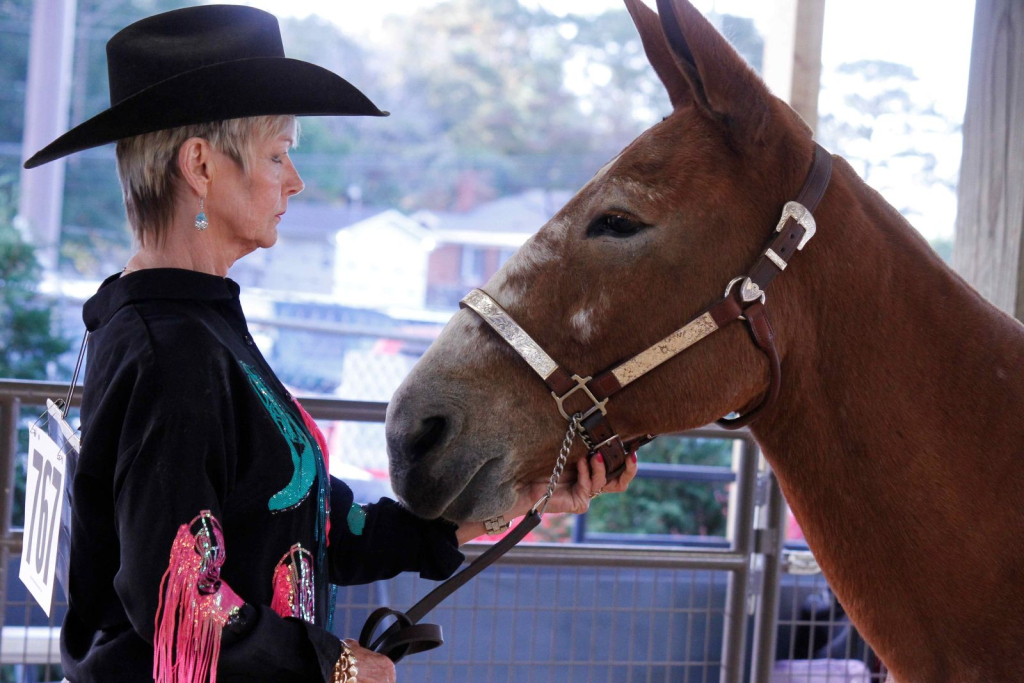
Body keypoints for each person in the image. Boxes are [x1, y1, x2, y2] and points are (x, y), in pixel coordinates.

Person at [23, 6, 638, 683]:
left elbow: (316, 524)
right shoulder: (170, 352)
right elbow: (175, 600)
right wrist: (334, 664)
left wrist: (522, 496)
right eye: (277, 154)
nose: (295, 180)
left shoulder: (192, 324)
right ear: (199, 165)